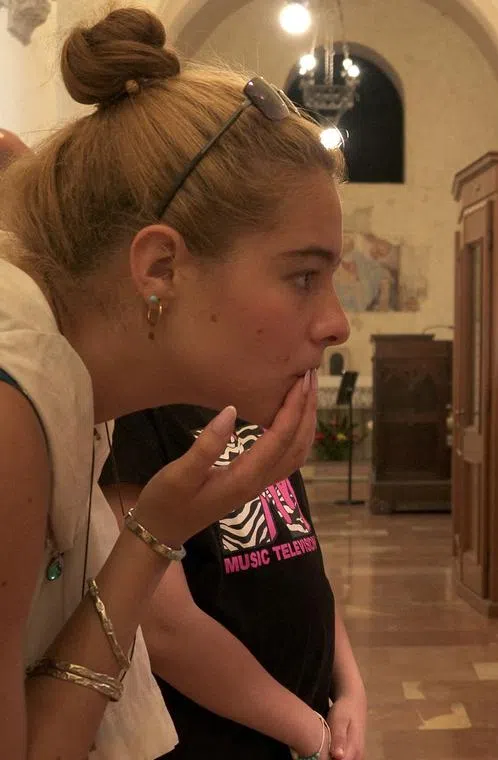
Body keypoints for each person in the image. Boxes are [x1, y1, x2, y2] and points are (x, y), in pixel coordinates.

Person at [0, 7, 349, 759]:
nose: (336, 323)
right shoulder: (10, 406)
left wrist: (159, 526)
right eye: (303, 276)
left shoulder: (72, 398)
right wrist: (156, 533)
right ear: (161, 267)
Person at [101, 406, 366, 759]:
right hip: (215, 737)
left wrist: (350, 688)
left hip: (304, 728)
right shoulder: (138, 422)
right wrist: (309, 731)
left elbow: (304, 560)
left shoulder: (255, 408)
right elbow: (162, 628)